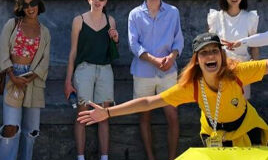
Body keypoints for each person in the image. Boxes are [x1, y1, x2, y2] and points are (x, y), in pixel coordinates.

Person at [78, 32, 268, 148]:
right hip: (216, 136)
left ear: (221, 55)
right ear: (197, 60)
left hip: (247, 130)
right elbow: (149, 102)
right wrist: (109, 112)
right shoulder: (191, 86)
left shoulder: (237, 73)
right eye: (204, 52)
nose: (210, 56)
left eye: (214, 51)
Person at [0, 0, 50, 160]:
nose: (30, 8)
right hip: (12, 77)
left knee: (31, 130)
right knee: (10, 127)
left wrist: (30, 76)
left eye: (33, 4)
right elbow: (1, 51)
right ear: (20, 7)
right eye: (25, 5)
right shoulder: (12, 24)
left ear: (38, 5)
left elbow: (45, 61)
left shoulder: (45, 31)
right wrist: (13, 75)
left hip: (33, 81)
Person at [128, 0, 184, 160]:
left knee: (172, 115)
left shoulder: (173, 12)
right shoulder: (134, 14)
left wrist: (172, 57)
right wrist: (153, 59)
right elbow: (133, 44)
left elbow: (179, 39)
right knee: (144, 116)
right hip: (143, 72)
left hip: (168, 72)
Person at [64, 0, 119, 160]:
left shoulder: (110, 20)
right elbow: (73, 52)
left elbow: (113, 49)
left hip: (105, 69)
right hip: (84, 68)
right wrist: (68, 80)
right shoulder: (78, 20)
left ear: (106, 1)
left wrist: (115, 37)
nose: (97, 1)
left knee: (104, 114)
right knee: (82, 114)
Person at [207, 0, 259, 99]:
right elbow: (208, 46)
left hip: (242, 71)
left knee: (241, 108)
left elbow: (255, 46)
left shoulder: (250, 18)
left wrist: (256, 68)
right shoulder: (215, 18)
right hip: (220, 71)